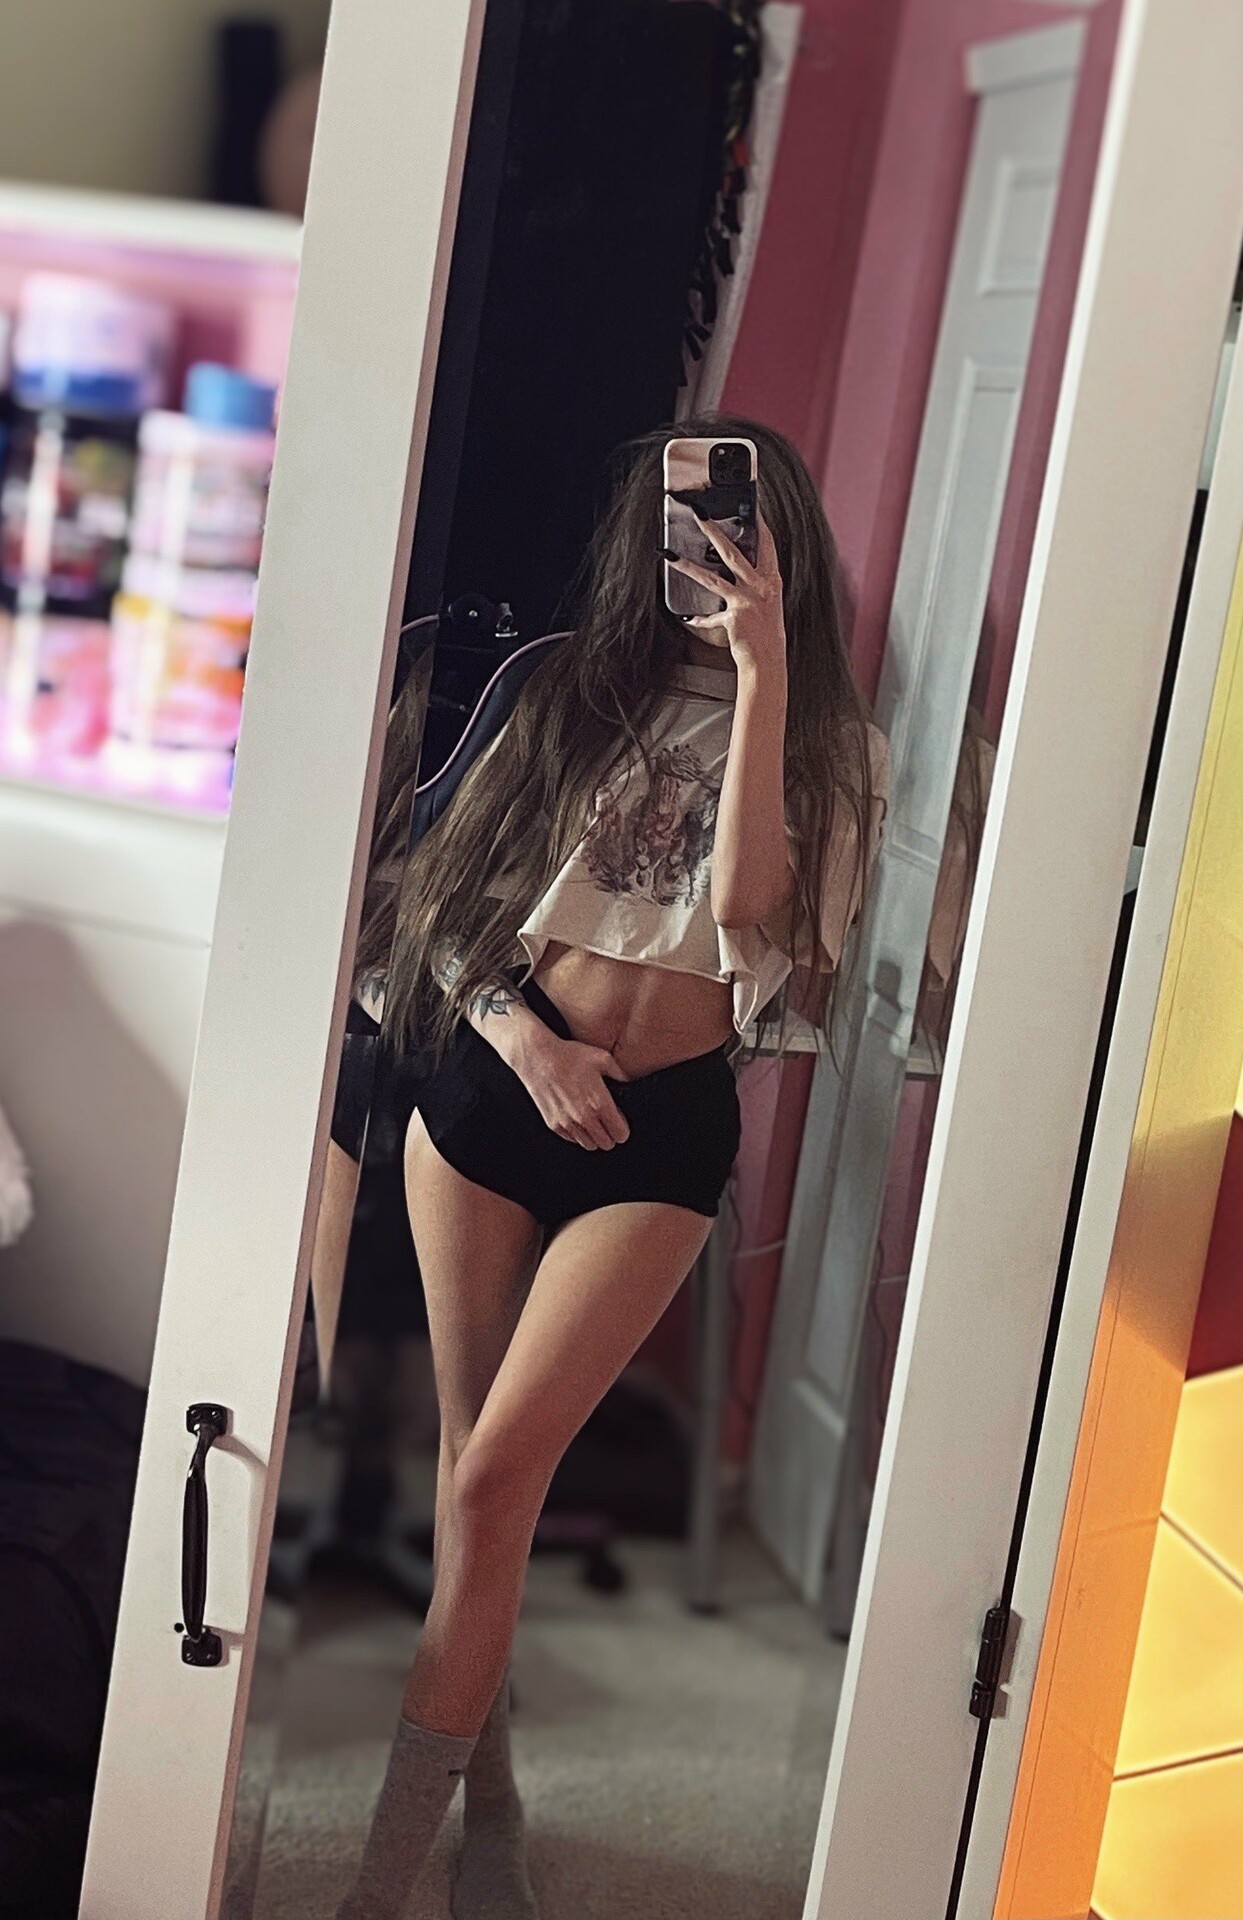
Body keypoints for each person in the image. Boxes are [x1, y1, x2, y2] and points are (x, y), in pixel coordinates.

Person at [337, 416, 887, 1920]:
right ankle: (470, 1827)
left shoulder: (836, 751)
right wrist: (531, 1047)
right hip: (497, 1087)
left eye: (730, 521)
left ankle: (388, 1879)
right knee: (478, 1482)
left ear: (782, 540)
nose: (701, 549)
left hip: (663, 1134)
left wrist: (765, 676)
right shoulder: (564, 690)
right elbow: (434, 906)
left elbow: (753, 918)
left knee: (500, 1471)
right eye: (678, 523)